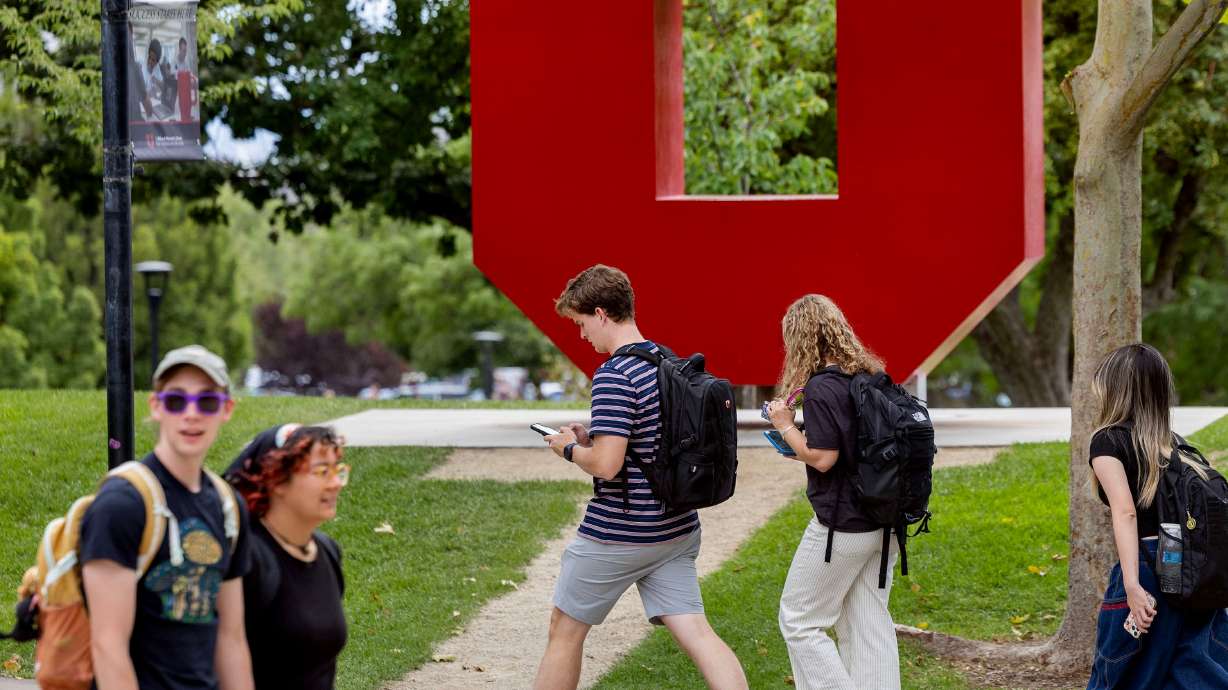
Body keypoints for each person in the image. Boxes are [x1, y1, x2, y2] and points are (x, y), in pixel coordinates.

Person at [534, 264, 747, 690]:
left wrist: (569, 448)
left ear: (600, 313)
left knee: (564, 630)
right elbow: (650, 439)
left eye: (580, 324)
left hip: (621, 533)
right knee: (697, 633)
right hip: (676, 529)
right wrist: (590, 435)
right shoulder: (666, 361)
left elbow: (607, 466)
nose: (581, 336)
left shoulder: (614, 375)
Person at [80, 344, 254, 690]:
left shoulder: (227, 505)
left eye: (207, 401)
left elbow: (231, 638)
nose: (191, 414)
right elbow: (108, 645)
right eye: (176, 400)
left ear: (227, 409)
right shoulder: (123, 503)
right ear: (157, 407)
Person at [765, 294, 900, 690]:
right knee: (867, 623)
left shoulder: (823, 388)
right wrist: (798, 447)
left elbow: (823, 459)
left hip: (844, 525)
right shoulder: (868, 377)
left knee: (800, 620)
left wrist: (784, 424)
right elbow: (844, 451)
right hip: (886, 520)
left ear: (799, 337)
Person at [1085, 343, 1228, 689]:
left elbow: (1125, 512)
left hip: (1149, 566)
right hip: (1193, 569)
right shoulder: (1177, 445)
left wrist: (1132, 584)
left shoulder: (1107, 441)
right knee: (1190, 667)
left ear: (1115, 389)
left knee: (1124, 669)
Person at [225, 424, 349, 690]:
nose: (336, 483)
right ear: (277, 480)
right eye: (321, 471)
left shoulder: (327, 551)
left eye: (337, 470)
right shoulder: (247, 560)